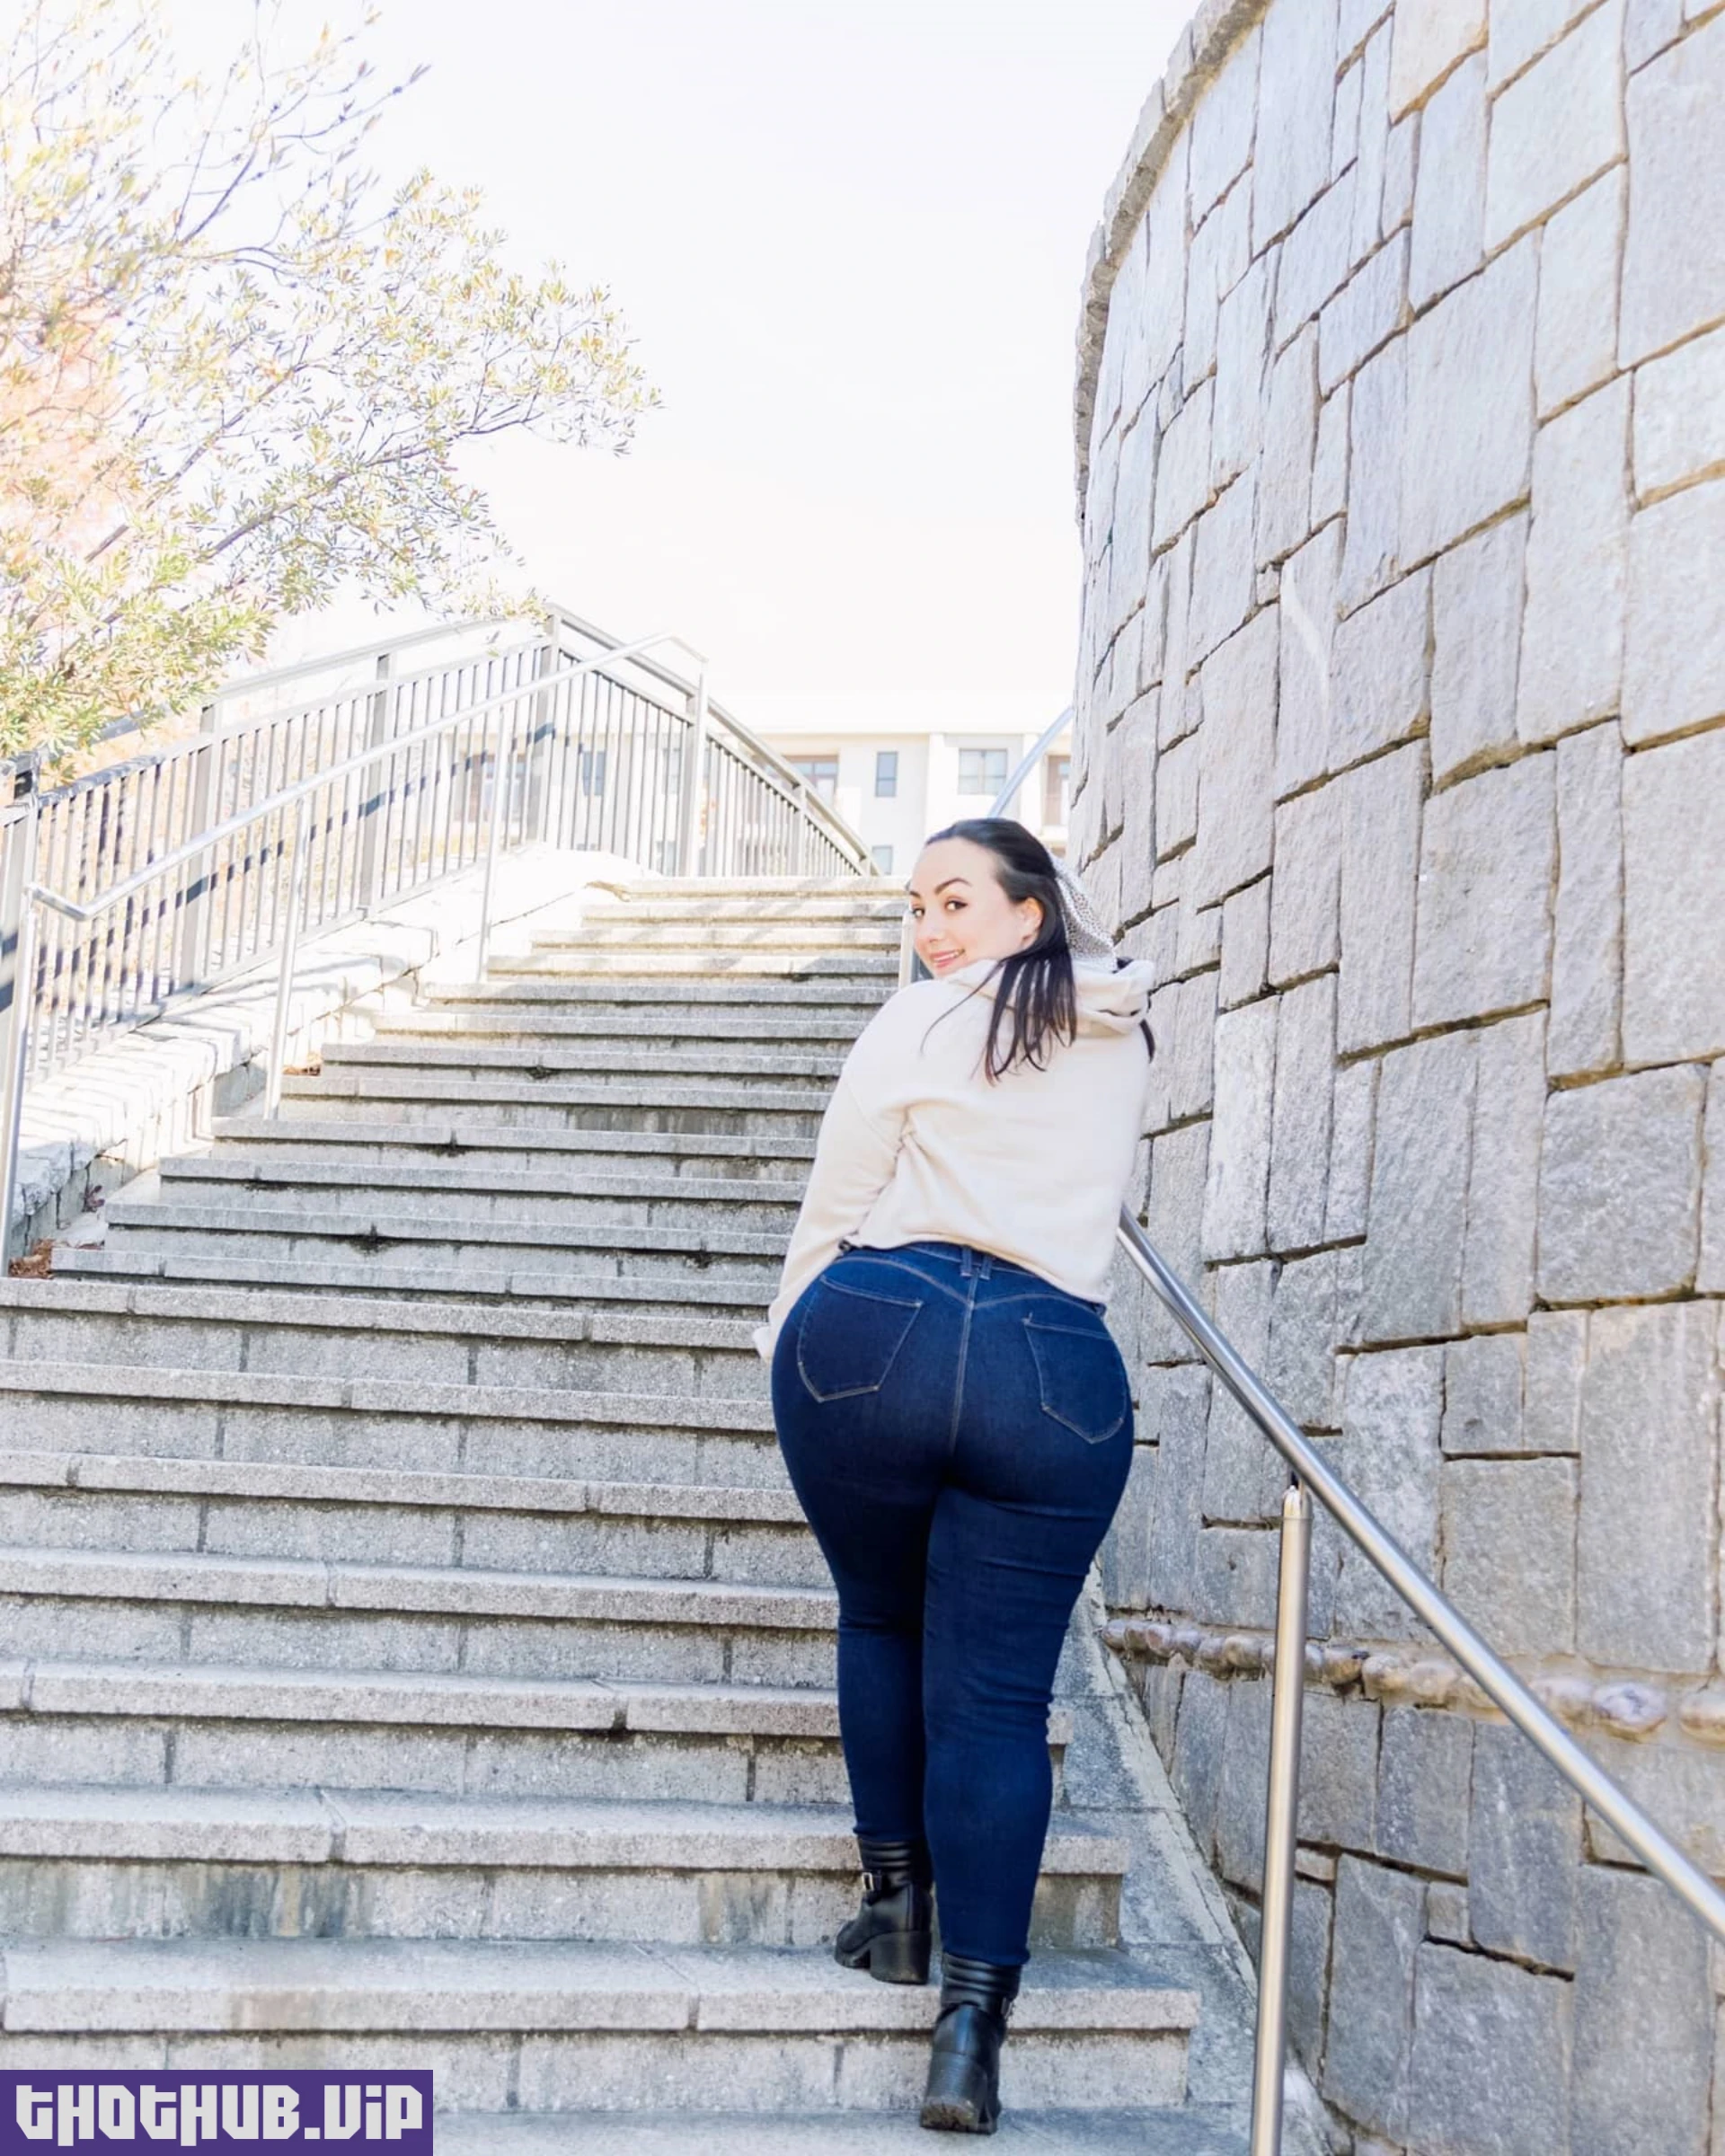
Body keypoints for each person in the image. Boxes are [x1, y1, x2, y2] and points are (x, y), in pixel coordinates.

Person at [754, 817, 1156, 2134]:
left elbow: (837, 1202)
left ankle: (895, 1913)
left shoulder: (919, 1021)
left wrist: (786, 1337)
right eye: (917, 907)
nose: (929, 930)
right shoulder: (1124, 1032)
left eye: (956, 902)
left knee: (881, 1615)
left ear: (1029, 912)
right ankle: (971, 2030)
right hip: (1057, 1365)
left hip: (882, 1330)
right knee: (997, 1701)